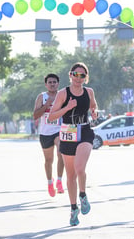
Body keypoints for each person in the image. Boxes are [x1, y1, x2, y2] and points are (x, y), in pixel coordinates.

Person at [48, 62, 98, 226]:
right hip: (67, 132)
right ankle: (73, 208)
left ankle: (82, 195)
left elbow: (93, 106)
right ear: (70, 75)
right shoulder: (63, 93)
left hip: (84, 130)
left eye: (82, 75)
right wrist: (67, 107)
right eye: (75, 74)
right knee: (70, 176)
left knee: (79, 169)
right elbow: (51, 117)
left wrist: (94, 112)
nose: (78, 78)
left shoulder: (89, 92)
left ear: (86, 77)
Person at [33, 73, 65, 197]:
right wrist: (46, 105)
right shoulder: (42, 97)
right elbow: (35, 115)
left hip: (59, 129)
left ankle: (59, 181)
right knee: (48, 160)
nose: (52, 84)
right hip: (45, 132)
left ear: (58, 83)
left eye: (54, 82)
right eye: (50, 82)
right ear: (46, 84)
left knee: (61, 153)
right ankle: (50, 183)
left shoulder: (62, 95)